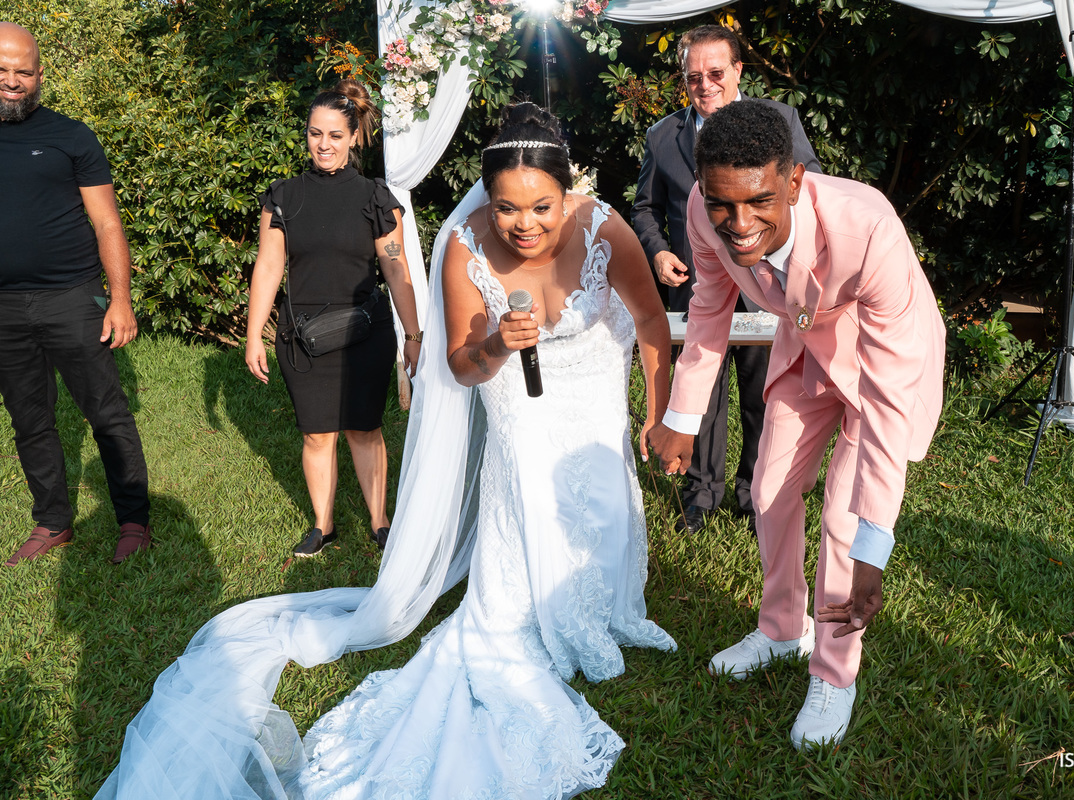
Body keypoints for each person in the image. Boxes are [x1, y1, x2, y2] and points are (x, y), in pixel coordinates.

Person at [96, 103, 676, 799]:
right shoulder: (465, 246)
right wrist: (497, 343)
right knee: (523, 522)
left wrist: (661, 413)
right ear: (486, 200)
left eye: (541, 208)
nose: (524, 224)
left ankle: (606, 605)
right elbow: (460, 365)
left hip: (592, 397)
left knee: (602, 507)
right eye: (506, 208)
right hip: (517, 409)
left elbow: (650, 321)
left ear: (567, 193)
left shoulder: (606, 228)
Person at [648, 101, 945, 750]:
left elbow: (887, 401)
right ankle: (783, 628)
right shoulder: (703, 208)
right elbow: (709, 308)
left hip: (883, 364)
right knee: (767, 490)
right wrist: (681, 417)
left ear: (794, 182)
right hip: (806, 348)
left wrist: (873, 547)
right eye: (723, 205)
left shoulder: (867, 228)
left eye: (759, 201)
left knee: (843, 519)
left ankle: (835, 671)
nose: (739, 225)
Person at [631, 24, 822, 535]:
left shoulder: (778, 120)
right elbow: (644, 208)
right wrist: (659, 251)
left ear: (738, 70)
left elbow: (811, 187)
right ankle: (700, 493)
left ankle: (756, 491)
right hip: (698, 284)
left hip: (769, 287)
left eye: (715, 73)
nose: (705, 85)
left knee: (765, 392)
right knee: (703, 390)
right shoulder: (662, 137)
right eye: (693, 76)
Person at [245, 79, 422, 556]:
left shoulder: (375, 197)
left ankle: (380, 522)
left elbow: (396, 267)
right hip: (302, 338)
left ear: (354, 138)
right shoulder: (283, 196)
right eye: (315, 133)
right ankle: (323, 526)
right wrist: (254, 335)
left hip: (365, 332)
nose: (324, 144)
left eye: (335, 135)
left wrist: (413, 334)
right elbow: (269, 266)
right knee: (317, 433)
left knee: (365, 428)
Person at [0, 22, 152, 567]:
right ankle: (53, 521)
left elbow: (107, 223)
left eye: (23, 71)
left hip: (73, 296)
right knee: (29, 418)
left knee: (106, 412)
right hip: (4, 308)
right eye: (3, 70)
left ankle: (133, 520)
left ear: (40, 75)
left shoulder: (72, 136)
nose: (12, 81)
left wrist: (120, 299)